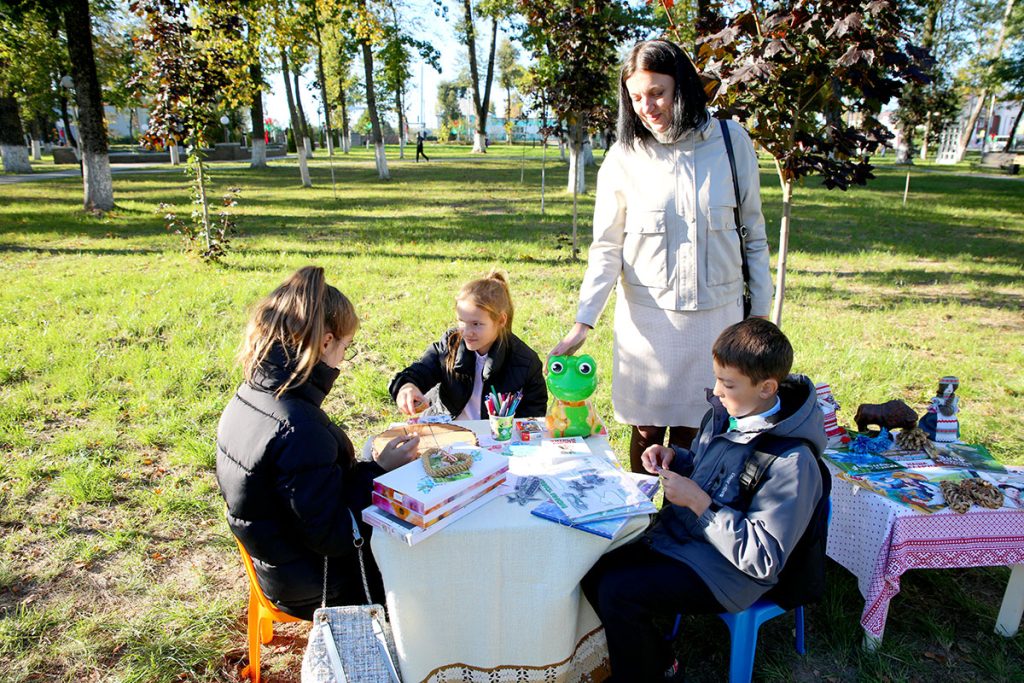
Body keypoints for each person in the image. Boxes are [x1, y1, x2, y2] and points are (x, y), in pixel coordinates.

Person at [550, 39, 772, 473]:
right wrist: (583, 321)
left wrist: (759, 320)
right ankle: (641, 522)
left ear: (681, 87)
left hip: (716, 321)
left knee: (701, 429)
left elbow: (756, 238)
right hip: (648, 323)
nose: (646, 107)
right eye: (635, 97)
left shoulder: (731, 142)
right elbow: (606, 247)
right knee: (646, 432)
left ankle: (680, 526)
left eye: (656, 93)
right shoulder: (623, 157)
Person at [581, 319, 825, 681]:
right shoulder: (726, 414)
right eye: (716, 378)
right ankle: (655, 658)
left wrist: (701, 506)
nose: (717, 391)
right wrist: (675, 458)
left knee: (619, 591)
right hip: (682, 539)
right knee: (591, 566)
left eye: (727, 384)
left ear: (766, 388)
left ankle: (650, 670)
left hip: (727, 573)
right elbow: (709, 465)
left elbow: (764, 559)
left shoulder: (792, 461)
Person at [216, 266, 420, 620]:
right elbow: (337, 536)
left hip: (281, 566)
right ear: (326, 343)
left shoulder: (252, 393)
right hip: (318, 584)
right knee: (424, 555)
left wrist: (368, 469)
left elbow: (309, 498)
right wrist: (380, 472)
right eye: (345, 347)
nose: (343, 359)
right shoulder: (298, 425)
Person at [389, 270, 548, 419]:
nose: (467, 332)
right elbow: (421, 370)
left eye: (476, 324)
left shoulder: (526, 362)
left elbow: (533, 415)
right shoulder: (450, 344)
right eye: (462, 321)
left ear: (500, 320)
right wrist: (406, 386)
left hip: (494, 439)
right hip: (448, 430)